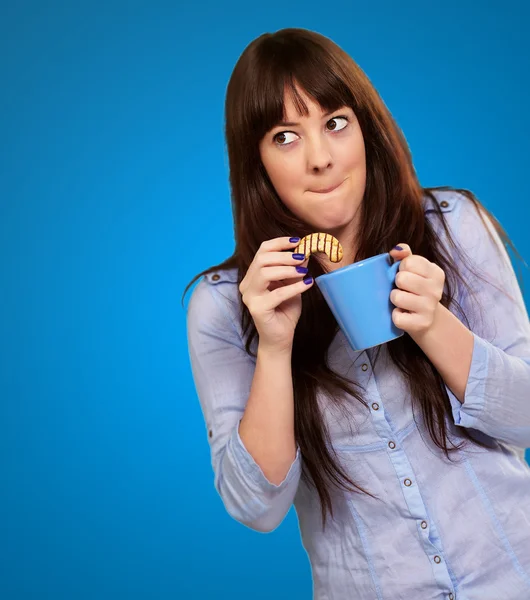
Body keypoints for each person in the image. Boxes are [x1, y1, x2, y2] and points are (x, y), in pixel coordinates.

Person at [183, 27, 530, 599]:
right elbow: (256, 507)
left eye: (335, 123)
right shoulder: (224, 303)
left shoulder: (450, 223)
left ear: (366, 125)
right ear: (257, 161)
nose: (320, 159)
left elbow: (524, 419)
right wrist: (273, 348)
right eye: (285, 137)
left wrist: (433, 323)